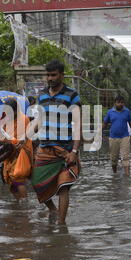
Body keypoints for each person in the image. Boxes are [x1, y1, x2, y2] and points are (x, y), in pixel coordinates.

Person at [31, 59, 81, 225]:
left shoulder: (72, 95)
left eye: (53, 75)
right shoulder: (42, 95)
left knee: (63, 187)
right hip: (45, 148)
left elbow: (77, 124)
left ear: (61, 75)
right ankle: (53, 209)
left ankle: (61, 226)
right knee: (37, 184)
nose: (50, 78)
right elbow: (39, 119)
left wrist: (74, 151)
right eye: (48, 75)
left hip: (65, 150)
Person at [0, 98, 33, 200]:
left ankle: (25, 204)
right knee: (10, 179)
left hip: (21, 153)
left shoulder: (24, 119)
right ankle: (18, 204)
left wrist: (16, 143)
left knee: (18, 178)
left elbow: (26, 138)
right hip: (10, 153)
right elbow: (1, 134)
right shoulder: (5, 119)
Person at [103, 95, 131, 175]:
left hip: (125, 137)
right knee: (114, 159)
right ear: (115, 103)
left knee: (126, 157)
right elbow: (104, 124)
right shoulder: (110, 112)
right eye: (118, 102)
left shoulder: (127, 112)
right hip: (113, 138)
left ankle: (127, 177)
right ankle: (115, 174)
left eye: (122, 102)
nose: (120, 104)